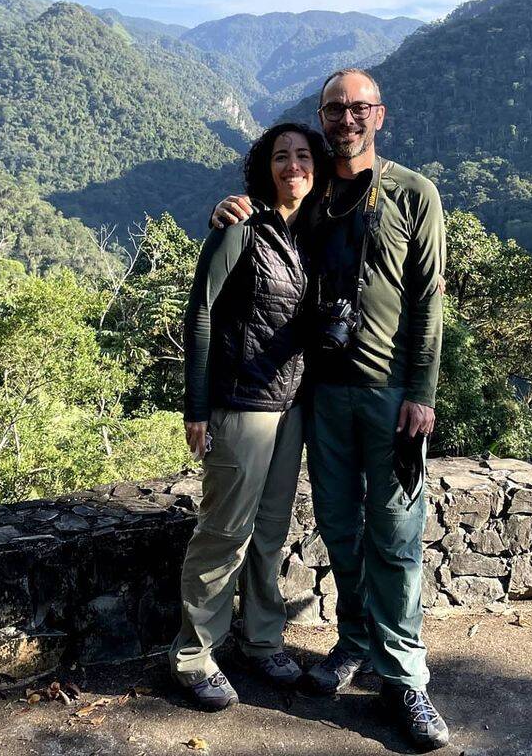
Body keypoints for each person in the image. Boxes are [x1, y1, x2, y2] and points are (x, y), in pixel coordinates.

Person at [211, 69, 450, 751]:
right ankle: (354, 641)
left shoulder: (413, 193)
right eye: (333, 110)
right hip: (321, 394)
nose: (345, 119)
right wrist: (229, 210)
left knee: (398, 536)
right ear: (322, 118)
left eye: (357, 108)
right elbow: (264, 222)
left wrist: (423, 393)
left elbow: (431, 298)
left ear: (380, 114)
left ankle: (405, 678)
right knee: (341, 529)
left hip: (391, 395)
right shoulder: (313, 194)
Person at [170, 122, 330, 710]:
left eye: (304, 156)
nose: (294, 166)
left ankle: (262, 642)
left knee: (269, 534)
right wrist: (196, 406)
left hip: (292, 407)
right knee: (224, 532)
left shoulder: (313, 231)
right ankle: (193, 656)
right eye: (282, 157)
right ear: (265, 168)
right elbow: (202, 312)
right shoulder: (240, 226)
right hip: (241, 405)